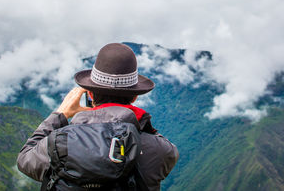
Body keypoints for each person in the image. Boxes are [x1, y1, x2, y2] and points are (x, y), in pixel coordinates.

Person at [17, 43, 179, 190]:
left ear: (90, 95)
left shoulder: (57, 144)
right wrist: (141, 122)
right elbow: (170, 151)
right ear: (134, 97)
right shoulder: (159, 150)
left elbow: (24, 159)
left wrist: (60, 114)